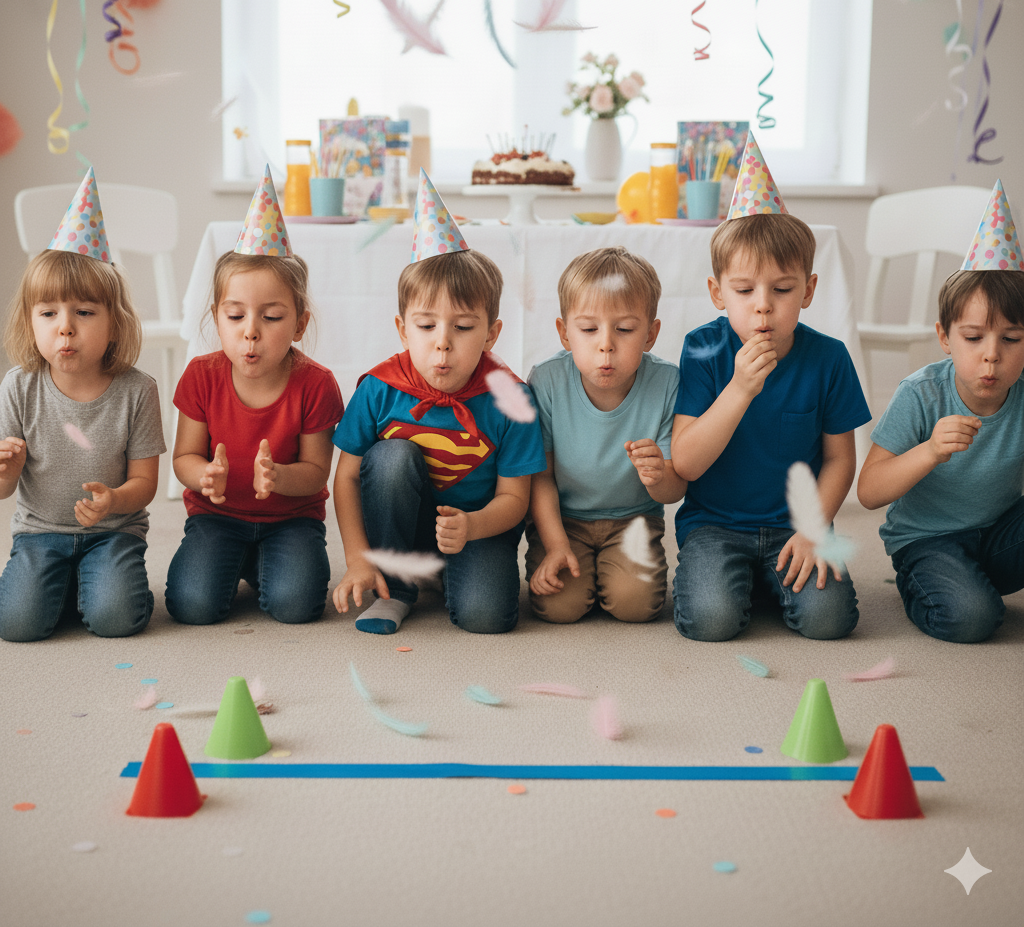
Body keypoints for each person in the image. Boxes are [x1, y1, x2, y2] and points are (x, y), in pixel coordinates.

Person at [671, 135, 870, 641]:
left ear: (808, 290)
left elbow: (840, 460)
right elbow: (686, 464)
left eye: (782, 290)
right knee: (710, 621)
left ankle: (769, 577)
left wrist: (811, 529)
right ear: (718, 293)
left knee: (830, 622)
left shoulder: (828, 358)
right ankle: (748, 580)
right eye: (744, 291)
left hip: (794, 523)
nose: (763, 305)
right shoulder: (701, 350)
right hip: (715, 526)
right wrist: (739, 389)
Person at [331, 172, 545, 635]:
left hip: (479, 525)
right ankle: (399, 585)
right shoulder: (380, 388)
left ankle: (448, 573)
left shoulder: (511, 399)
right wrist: (356, 558)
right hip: (402, 527)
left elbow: (514, 499)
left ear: (492, 333)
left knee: (486, 617)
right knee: (389, 458)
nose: (442, 345)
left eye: (463, 328)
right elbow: (347, 477)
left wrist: (471, 527)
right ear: (402, 328)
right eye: (426, 326)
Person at [166, 168, 344, 624]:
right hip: (216, 517)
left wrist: (280, 478)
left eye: (271, 316)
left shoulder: (316, 384)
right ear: (217, 318)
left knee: (297, 607)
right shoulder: (201, 376)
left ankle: (261, 563)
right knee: (192, 606)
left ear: (299, 323)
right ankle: (244, 561)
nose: (250, 332)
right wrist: (204, 475)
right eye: (235, 315)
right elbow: (184, 456)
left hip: (291, 522)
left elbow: (316, 472)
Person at [0, 170, 164, 641]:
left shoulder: (137, 391)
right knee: (16, 625)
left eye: (84, 313)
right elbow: (4, 489)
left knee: (117, 620)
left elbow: (146, 484)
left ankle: (95, 584)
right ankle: (68, 584)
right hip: (38, 534)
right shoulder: (19, 387)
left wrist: (114, 500)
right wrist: (7, 468)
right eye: (48, 313)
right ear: (30, 321)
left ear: (114, 322)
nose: (65, 328)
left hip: (113, 534)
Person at [857, 181, 1024, 642]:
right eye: (973, 338)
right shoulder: (922, 394)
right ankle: (926, 584)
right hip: (929, 540)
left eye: (1010, 340)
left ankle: (973, 580)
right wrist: (929, 451)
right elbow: (869, 491)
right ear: (945, 337)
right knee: (973, 619)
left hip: (999, 537)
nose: (991, 355)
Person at [526, 246, 685, 623]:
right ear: (565, 333)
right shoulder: (546, 381)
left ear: (650, 333)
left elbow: (675, 490)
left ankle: (613, 574)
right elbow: (540, 478)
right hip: (563, 520)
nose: (606, 343)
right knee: (557, 609)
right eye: (588, 329)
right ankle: (582, 567)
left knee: (636, 606)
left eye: (625, 329)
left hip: (634, 519)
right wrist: (555, 546)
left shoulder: (667, 382)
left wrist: (659, 476)